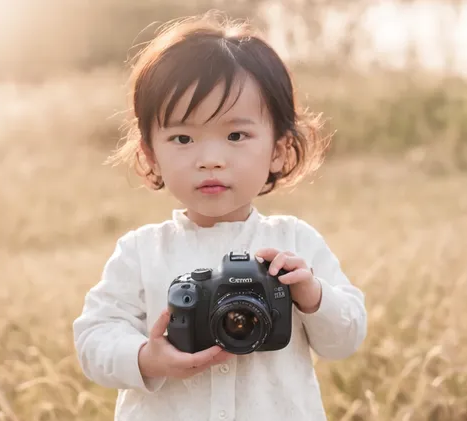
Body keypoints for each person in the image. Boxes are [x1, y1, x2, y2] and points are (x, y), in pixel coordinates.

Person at [72, 11, 368, 421]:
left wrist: (313, 295)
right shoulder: (142, 251)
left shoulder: (295, 243)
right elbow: (93, 338)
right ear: (150, 153)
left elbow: (346, 338)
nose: (210, 159)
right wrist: (145, 357)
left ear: (279, 149)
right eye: (182, 138)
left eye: (235, 136)